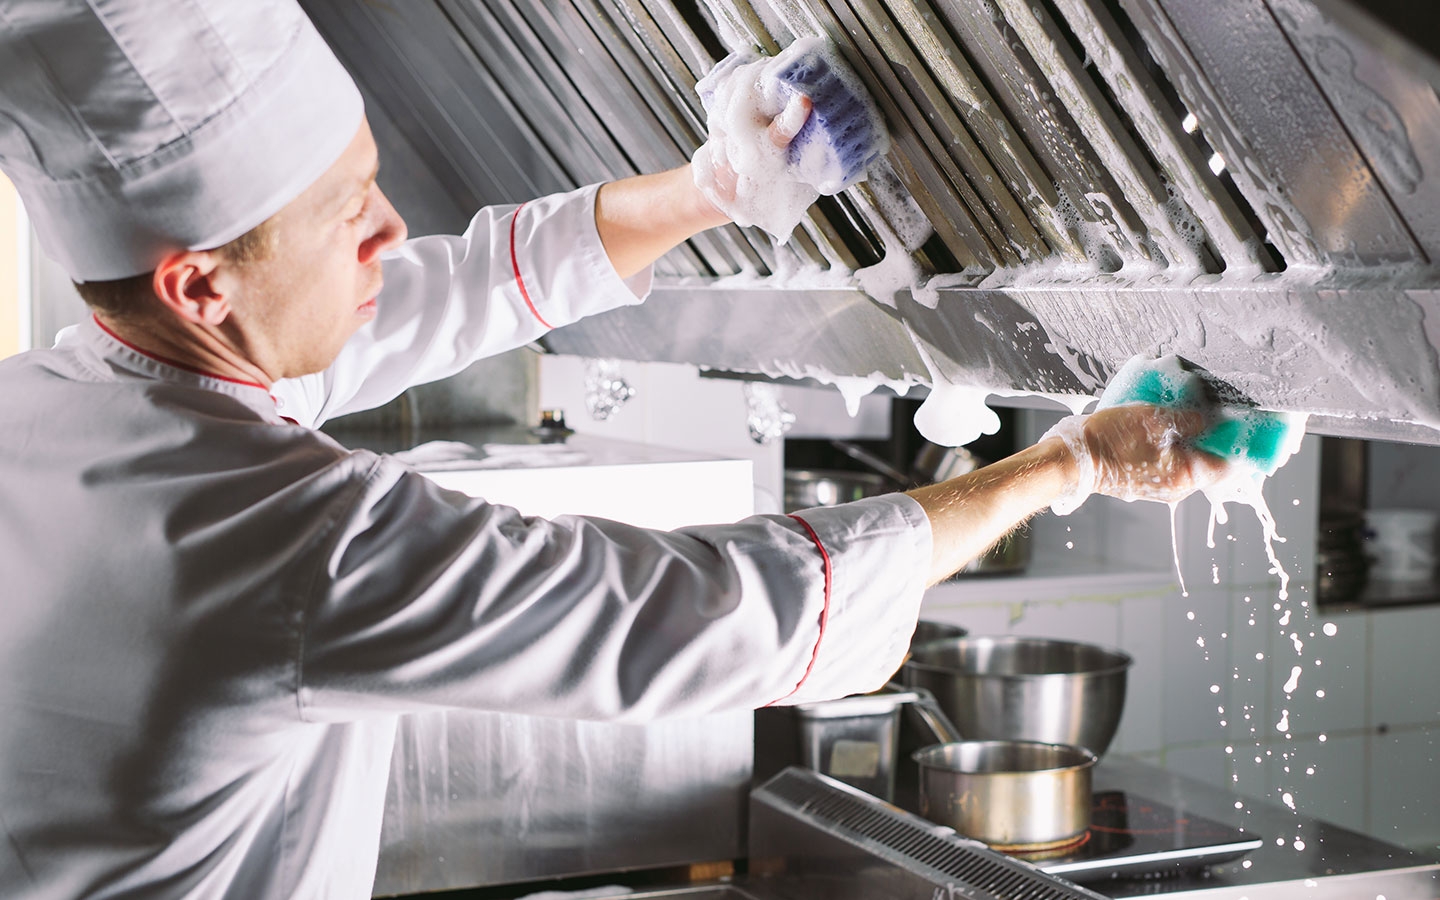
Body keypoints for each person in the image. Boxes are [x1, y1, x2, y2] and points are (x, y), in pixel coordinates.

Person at [0, 1, 1226, 897]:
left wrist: (722, 185)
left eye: (370, 180)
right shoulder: (285, 539)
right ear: (198, 285)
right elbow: (714, 616)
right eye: (347, 218)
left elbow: (443, 290)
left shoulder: (64, 400)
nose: (392, 228)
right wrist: (1074, 463)